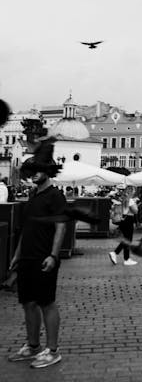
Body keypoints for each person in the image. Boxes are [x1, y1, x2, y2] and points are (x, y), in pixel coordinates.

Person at [7, 140, 66, 368]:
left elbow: (61, 227)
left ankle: (52, 350)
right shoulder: (33, 197)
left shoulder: (55, 196)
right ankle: (33, 346)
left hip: (44, 258)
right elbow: (27, 229)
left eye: (38, 170)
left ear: (49, 171)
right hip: (27, 258)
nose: (33, 175)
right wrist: (17, 255)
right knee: (28, 303)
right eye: (31, 171)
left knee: (47, 303)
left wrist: (53, 255)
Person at [109, 188, 139, 265]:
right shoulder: (130, 200)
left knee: (127, 239)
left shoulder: (121, 199)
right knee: (128, 240)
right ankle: (116, 253)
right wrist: (135, 203)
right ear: (130, 192)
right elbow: (135, 211)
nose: (134, 192)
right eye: (133, 191)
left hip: (122, 221)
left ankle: (126, 258)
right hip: (128, 220)